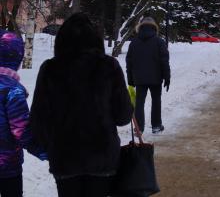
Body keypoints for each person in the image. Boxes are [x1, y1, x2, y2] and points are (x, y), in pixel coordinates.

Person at [30, 13, 133, 197]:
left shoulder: (50, 69)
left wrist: (50, 145)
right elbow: (123, 116)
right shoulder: (109, 66)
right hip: (102, 156)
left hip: (64, 156)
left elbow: (39, 119)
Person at [0, 31, 46, 197]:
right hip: (7, 167)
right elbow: (21, 130)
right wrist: (44, 151)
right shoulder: (13, 91)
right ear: (17, 60)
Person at [126, 17, 170, 134]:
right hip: (156, 78)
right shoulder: (159, 42)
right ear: (154, 27)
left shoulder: (134, 43)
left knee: (139, 102)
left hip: (139, 79)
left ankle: (139, 128)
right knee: (156, 100)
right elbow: (164, 61)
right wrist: (167, 77)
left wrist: (130, 79)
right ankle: (156, 125)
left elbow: (129, 63)